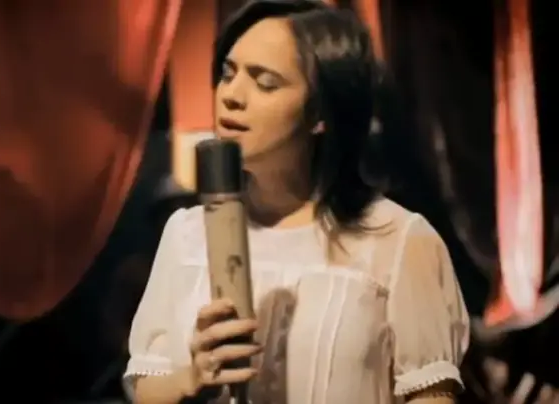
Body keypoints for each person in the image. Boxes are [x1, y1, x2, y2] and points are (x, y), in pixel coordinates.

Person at [123, 1, 470, 403]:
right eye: (228, 74)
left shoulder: (400, 241)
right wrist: (191, 380)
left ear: (320, 112)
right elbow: (147, 384)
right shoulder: (186, 233)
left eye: (265, 83)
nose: (231, 95)